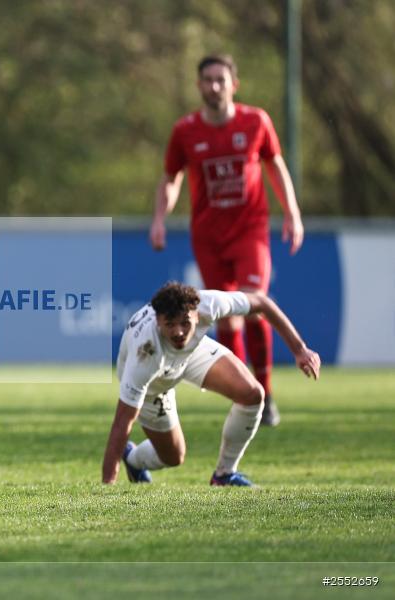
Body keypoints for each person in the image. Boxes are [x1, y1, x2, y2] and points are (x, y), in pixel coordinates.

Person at [150, 54, 305, 428]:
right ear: (199, 85)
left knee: (253, 305)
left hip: (250, 231)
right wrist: (159, 218)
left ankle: (264, 395)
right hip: (208, 238)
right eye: (207, 80)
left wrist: (293, 213)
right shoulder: (185, 131)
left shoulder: (256, 122)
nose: (214, 86)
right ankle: (244, 394)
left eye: (221, 79)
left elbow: (275, 166)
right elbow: (171, 178)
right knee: (228, 322)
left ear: (234, 84)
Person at [102, 281, 320, 487]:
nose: (178, 332)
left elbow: (262, 303)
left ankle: (224, 475)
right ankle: (132, 458)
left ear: (196, 315)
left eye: (185, 323)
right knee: (174, 457)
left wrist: (299, 349)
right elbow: (122, 423)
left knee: (252, 394)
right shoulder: (145, 354)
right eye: (170, 324)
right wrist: (108, 485)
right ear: (158, 321)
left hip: (191, 352)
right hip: (155, 383)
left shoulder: (208, 303)